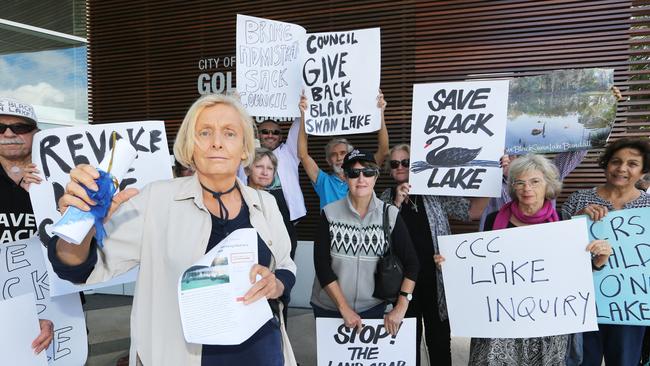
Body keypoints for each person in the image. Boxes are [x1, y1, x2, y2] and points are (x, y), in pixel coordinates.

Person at [48, 94, 297, 366]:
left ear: (245, 149)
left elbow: (285, 264)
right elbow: (78, 269)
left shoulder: (265, 203)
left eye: (229, 133)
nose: (216, 142)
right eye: (204, 132)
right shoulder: (156, 201)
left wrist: (277, 283)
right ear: (190, 148)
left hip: (262, 354)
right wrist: (82, 224)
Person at [435, 154, 611, 366]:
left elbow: (573, 273)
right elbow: (481, 266)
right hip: (501, 321)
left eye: (535, 181)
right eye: (520, 182)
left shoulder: (563, 222)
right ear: (512, 187)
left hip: (547, 322)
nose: (527, 188)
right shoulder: (494, 220)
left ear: (548, 185)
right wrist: (452, 265)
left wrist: (599, 260)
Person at [379, 143, 490, 366]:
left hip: (436, 282)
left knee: (439, 345)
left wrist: (494, 179)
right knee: (406, 347)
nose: (400, 167)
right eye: (394, 164)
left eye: (406, 162)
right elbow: (380, 233)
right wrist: (397, 202)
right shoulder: (384, 197)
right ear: (389, 170)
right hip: (403, 287)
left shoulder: (433, 191)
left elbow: (472, 211)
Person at [310, 148, 419, 338]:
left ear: (375, 177)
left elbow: (412, 263)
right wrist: (344, 308)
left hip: (372, 309)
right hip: (329, 308)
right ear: (345, 178)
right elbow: (322, 265)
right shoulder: (329, 213)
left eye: (367, 172)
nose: (361, 179)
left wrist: (402, 306)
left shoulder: (390, 214)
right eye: (354, 173)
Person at [562, 137, 650, 366]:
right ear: (606, 164)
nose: (622, 168)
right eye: (615, 161)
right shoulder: (579, 199)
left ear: (643, 171)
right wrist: (578, 219)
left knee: (624, 361)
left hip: (630, 307)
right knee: (581, 361)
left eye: (632, 164)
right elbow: (559, 249)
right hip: (581, 302)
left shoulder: (648, 209)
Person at [0, 96, 54, 355]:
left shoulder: (60, 174)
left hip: (56, 305)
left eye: (20, 128)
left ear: (36, 134)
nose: (9, 134)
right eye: (0, 128)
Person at [298, 92, 389, 209]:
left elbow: (384, 151)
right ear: (328, 160)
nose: (339, 158)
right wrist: (304, 115)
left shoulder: (364, 174)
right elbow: (302, 155)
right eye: (334, 155)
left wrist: (380, 112)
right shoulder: (323, 181)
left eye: (343, 153)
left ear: (351, 155)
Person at [246, 147, 298, 327]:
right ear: (247, 169)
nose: (264, 172)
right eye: (259, 166)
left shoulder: (273, 199)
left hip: (274, 279)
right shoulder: (238, 198)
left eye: (270, 168)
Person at [254, 117, 307, 222]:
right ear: (258, 135)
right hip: (256, 208)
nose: (270, 135)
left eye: (275, 132)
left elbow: (299, 126)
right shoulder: (248, 154)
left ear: (280, 137)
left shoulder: (289, 153)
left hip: (286, 212)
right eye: (265, 132)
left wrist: (302, 111)